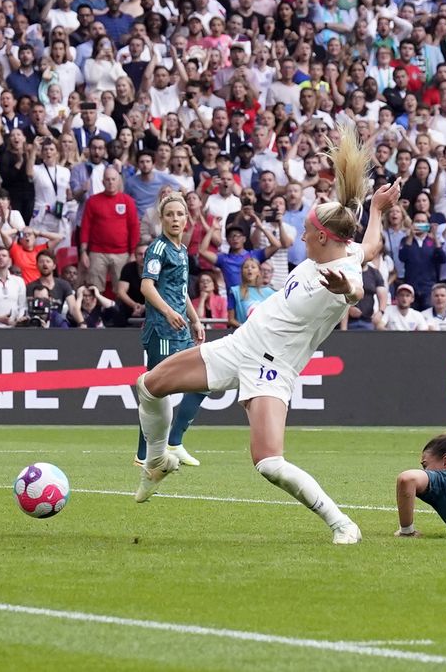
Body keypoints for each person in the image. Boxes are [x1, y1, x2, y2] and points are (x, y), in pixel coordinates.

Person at [133, 127, 401, 545]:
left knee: (269, 463)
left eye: (309, 232)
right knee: (148, 386)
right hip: (240, 345)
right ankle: (157, 461)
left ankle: (343, 523)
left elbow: (357, 289)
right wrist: (378, 208)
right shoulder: (344, 250)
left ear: (325, 237)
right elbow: (368, 246)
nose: (302, 237)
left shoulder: (341, 273)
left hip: (271, 369)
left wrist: (346, 291)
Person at [133, 192, 208, 468]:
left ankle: (174, 441)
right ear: (162, 219)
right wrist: (167, 312)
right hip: (161, 331)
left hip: (182, 329)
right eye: (169, 214)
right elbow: (146, 286)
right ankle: (143, 455)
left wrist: (195, 318)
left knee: (204, 381)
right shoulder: (158, 249)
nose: (175, 219)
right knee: (155, 392)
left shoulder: (181, 250)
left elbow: (181, 290)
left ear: (186, 219)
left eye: (179, 214)